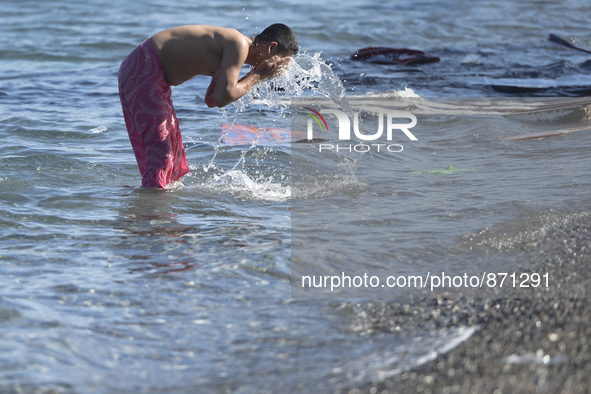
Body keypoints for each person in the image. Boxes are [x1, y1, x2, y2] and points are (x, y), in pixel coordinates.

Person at [118, 24, 298, 188]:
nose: (279, 68)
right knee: (161, 151)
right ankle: (152, 214)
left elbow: (211, 100)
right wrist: (259, 75)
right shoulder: (239, 44)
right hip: (144, 68)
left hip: (153, 74)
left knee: (173, 154)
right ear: (271, 47)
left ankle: (167, 211)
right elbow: (223, 97)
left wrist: (255, 73)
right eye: (281, 60)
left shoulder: (235, 54)